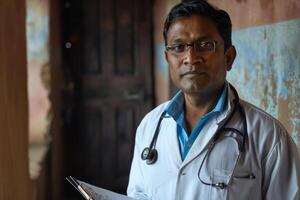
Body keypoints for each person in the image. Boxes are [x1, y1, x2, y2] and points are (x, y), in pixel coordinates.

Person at [127, 0, 300, 199]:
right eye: (179, 47)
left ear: (228, 57)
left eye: (205, 45)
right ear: (168, 58)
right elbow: (137, 193)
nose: (190, 58)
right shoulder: (149, 126)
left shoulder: (269, 136)